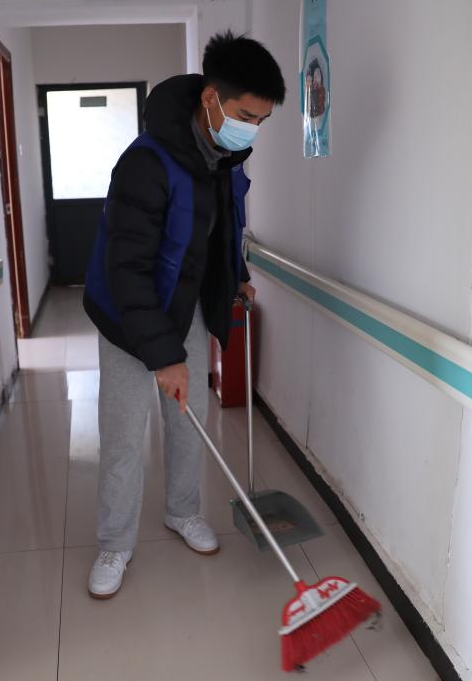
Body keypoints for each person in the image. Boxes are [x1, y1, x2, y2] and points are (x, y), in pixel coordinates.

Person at [82, 31, 285, 599]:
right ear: (211, 99)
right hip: (125, 313)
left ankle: (182, 511)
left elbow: (215, 232)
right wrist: (162, 355)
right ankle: (115, 543)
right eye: (246, 116)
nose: (252, 130)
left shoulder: (225, 157)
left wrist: (234, 275)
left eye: (261, 121)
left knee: (188, 418)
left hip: (184, 302)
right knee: (124, 434)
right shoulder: (145, 163)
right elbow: (126, 270)